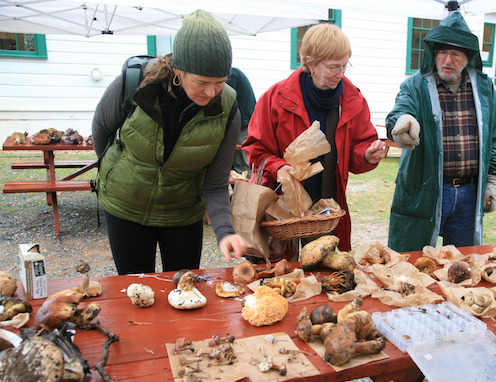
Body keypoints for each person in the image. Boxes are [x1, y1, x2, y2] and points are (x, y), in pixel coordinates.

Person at [91, 10, 246, 275]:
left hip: (182, 212)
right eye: (202, 82)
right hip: (126, 206)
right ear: (178, 70)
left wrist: (225, 231)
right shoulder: (135, 84)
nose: (211, 93)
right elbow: (101, 133)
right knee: (136, 294)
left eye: (220, 82)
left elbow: (216, 183)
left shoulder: (228, 108)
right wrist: (117, 173)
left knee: (184, 290)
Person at [243, 22, 386, 252]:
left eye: (344, 66)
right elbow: (255, 148)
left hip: (324, 211)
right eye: (333, 67)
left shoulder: (352, 100)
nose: (340, 74)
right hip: (278, 211)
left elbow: (360, 147)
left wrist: (367, 155)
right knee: (280, 280)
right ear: (310, 62)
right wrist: (278, 167)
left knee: (321, 275)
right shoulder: (275, 98)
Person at [385, 11, 496, 252]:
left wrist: (493, 179)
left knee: (463, 267)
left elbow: (493, 138)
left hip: (469, 194)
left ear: (468, 56)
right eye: (442, 52)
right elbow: (399, 113)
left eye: (455, 54)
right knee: (414, 263)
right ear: (434, 53)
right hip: (424, 190)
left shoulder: (484, 88)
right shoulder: (416, 85)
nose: (447, 61)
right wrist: (402, 124)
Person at [227, 67, 256, 177]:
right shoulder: (234, 74)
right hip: (239, 121)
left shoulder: (233, 75)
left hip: (243, 122)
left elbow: (229, 103)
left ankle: (245, 192)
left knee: (242, 164)